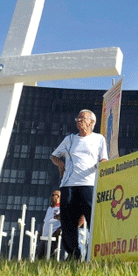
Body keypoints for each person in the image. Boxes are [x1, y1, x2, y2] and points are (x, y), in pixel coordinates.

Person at [51, 109, 108, 260]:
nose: (79, 120)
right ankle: (73, 255)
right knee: (68, 221)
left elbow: (104, 159)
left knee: (92, 218)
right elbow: (53, 155)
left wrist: (101, 166)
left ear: (92, 122)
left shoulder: (99, 139)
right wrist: (60, 164)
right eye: (78, 118)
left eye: (82, 118)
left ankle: (95, 253)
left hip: (88, 184)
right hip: (68, 185)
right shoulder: (69, 139)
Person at [36, 190, 61, 259]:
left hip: (53, 236)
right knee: (39, 255)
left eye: (56, 195)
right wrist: (40, 234)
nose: (54, 197)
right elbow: (45, 222)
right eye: (53, 195)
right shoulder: (49, 208)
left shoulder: (62, 208)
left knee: (50, 255)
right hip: (44, 236)